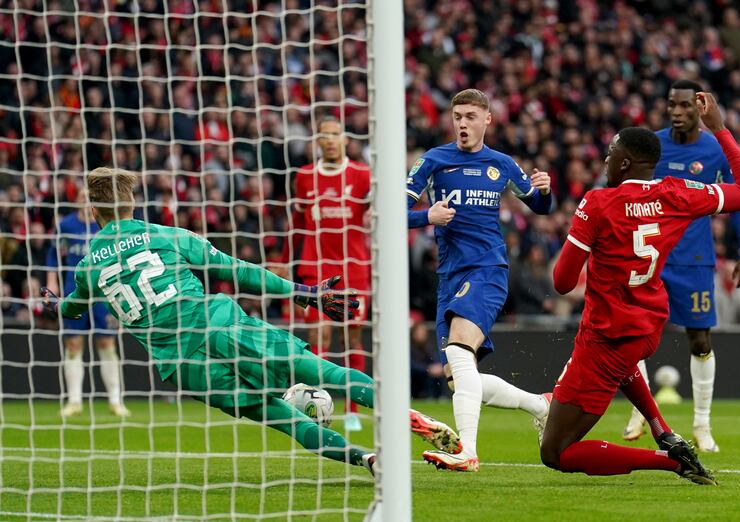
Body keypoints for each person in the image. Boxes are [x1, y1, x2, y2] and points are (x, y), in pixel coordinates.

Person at [42, 167, 462, 476]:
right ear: (131, 203)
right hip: (216, 322)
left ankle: (369, 460)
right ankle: (404, 416)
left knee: (281, 417)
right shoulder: (166, 236)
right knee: (320, 370)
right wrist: (305, 293)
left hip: (181, 364)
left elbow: (72, 308)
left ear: (92, 208)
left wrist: (53, 305)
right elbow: (239, 270)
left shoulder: (87, 269)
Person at [542, 93, 740, 485]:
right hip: (647, 327)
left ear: (623, 162)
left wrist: (585, 239)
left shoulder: (598, 203)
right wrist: (720, 130)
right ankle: (664, 431)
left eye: (609, 156)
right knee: (625, 365)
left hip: (607, 335)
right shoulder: (677, 193)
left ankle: (670, 461)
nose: (605, 162)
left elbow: (561, 283)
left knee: (556, 451)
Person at [406, 88, 553, 472]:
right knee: (459, 378)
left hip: (487, 270)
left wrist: (545, 190)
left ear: (488, 119)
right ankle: (540, 405)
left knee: (458, 352)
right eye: (457, 117)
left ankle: (467, 452)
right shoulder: (433, 161)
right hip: (449, 277)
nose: (463, 124)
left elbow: (538, 206)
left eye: (471, 116)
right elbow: (392, 210)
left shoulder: (501, 164)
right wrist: (426, 217)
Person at [622, 80, 740, 452]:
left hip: (695, 260)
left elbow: (738, 201)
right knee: (635, 334)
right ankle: (640, 410)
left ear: (700, 108)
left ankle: (702, 424)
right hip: (651, 255)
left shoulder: (714, 151)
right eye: (672, 105)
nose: (678, 112)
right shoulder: (652, 145)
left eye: (685, 106)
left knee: (699, 340)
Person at [285, 116, 371, 432]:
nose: (331, 140)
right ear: (317, 141)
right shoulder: (305, 176)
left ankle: (352, 410)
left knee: (352, 337)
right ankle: (317, 401)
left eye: (336, 135)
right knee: (318, 334)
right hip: (315, 265)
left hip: (355, 267)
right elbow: (297, 224)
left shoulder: (362, 174)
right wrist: (285, 261)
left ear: (345, 139)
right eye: (325, 135)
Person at [46, 190, 131, 418]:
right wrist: (52, 284)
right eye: (82, 196)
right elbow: (54, 256)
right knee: (73, 344)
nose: (85, 200)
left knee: (107, 343)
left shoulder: (106, 226)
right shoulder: (66, 225)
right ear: (75, 201)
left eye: (90, 197)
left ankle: (116, 400)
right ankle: (74, 401)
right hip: (74, 292)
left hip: (104, 294)